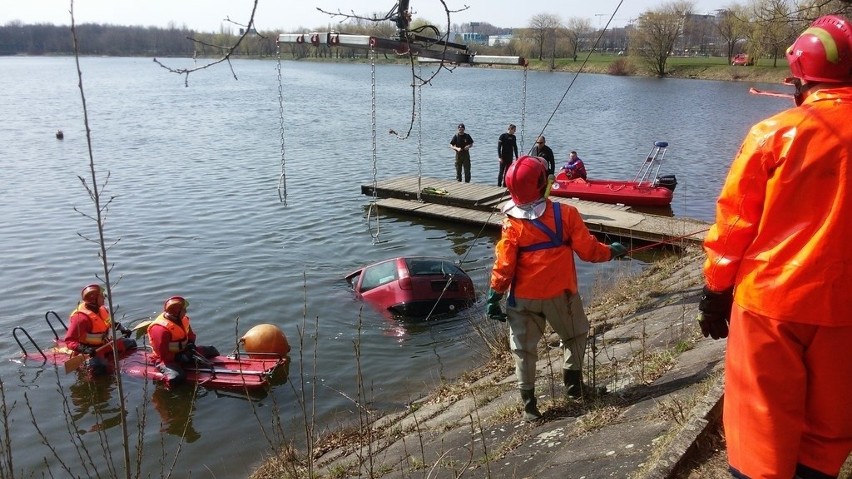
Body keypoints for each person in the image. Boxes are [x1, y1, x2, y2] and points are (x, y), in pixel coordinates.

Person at [699, 15, 852, 479]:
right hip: (845, 310)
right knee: (828, 429)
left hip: (771, 304)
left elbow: (734, 223)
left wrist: (715, 289)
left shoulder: (773, 134)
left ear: (800, 79)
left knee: (761, 422)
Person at [486, 155, 627, 422]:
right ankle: (574, 388)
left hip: (523, 299)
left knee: (523, 350)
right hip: (561, 295)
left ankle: (529, 408)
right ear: (542, 183)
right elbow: (589, 252)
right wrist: (612, 252)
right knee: (575, 336)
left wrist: (494, 296)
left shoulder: (511, 223)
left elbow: (504, 265)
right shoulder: (566, 214)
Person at [64, 284, 136, 375]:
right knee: (101, 369)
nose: (104, 298)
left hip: (105, 345)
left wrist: (122, 328)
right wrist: (85, 349)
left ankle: (115, 361)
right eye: (102, 296)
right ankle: (90, 378)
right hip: (91, 351)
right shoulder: (80, 318)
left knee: (131, 343)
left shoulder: (102, 309)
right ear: (93, 299)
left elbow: (109, 322)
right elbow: (69, 341)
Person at [147, 296, 219, 386]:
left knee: (212, 350)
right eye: (183, 310)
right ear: (176, 313)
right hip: (166, 360)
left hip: (186, 352)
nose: (186, 311)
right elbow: (163, 354)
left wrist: (191, 343)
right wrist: (179, 357)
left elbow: (190, 335)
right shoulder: (160, 329)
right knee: (176, 378)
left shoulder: (183, 319)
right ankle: (167, 391)